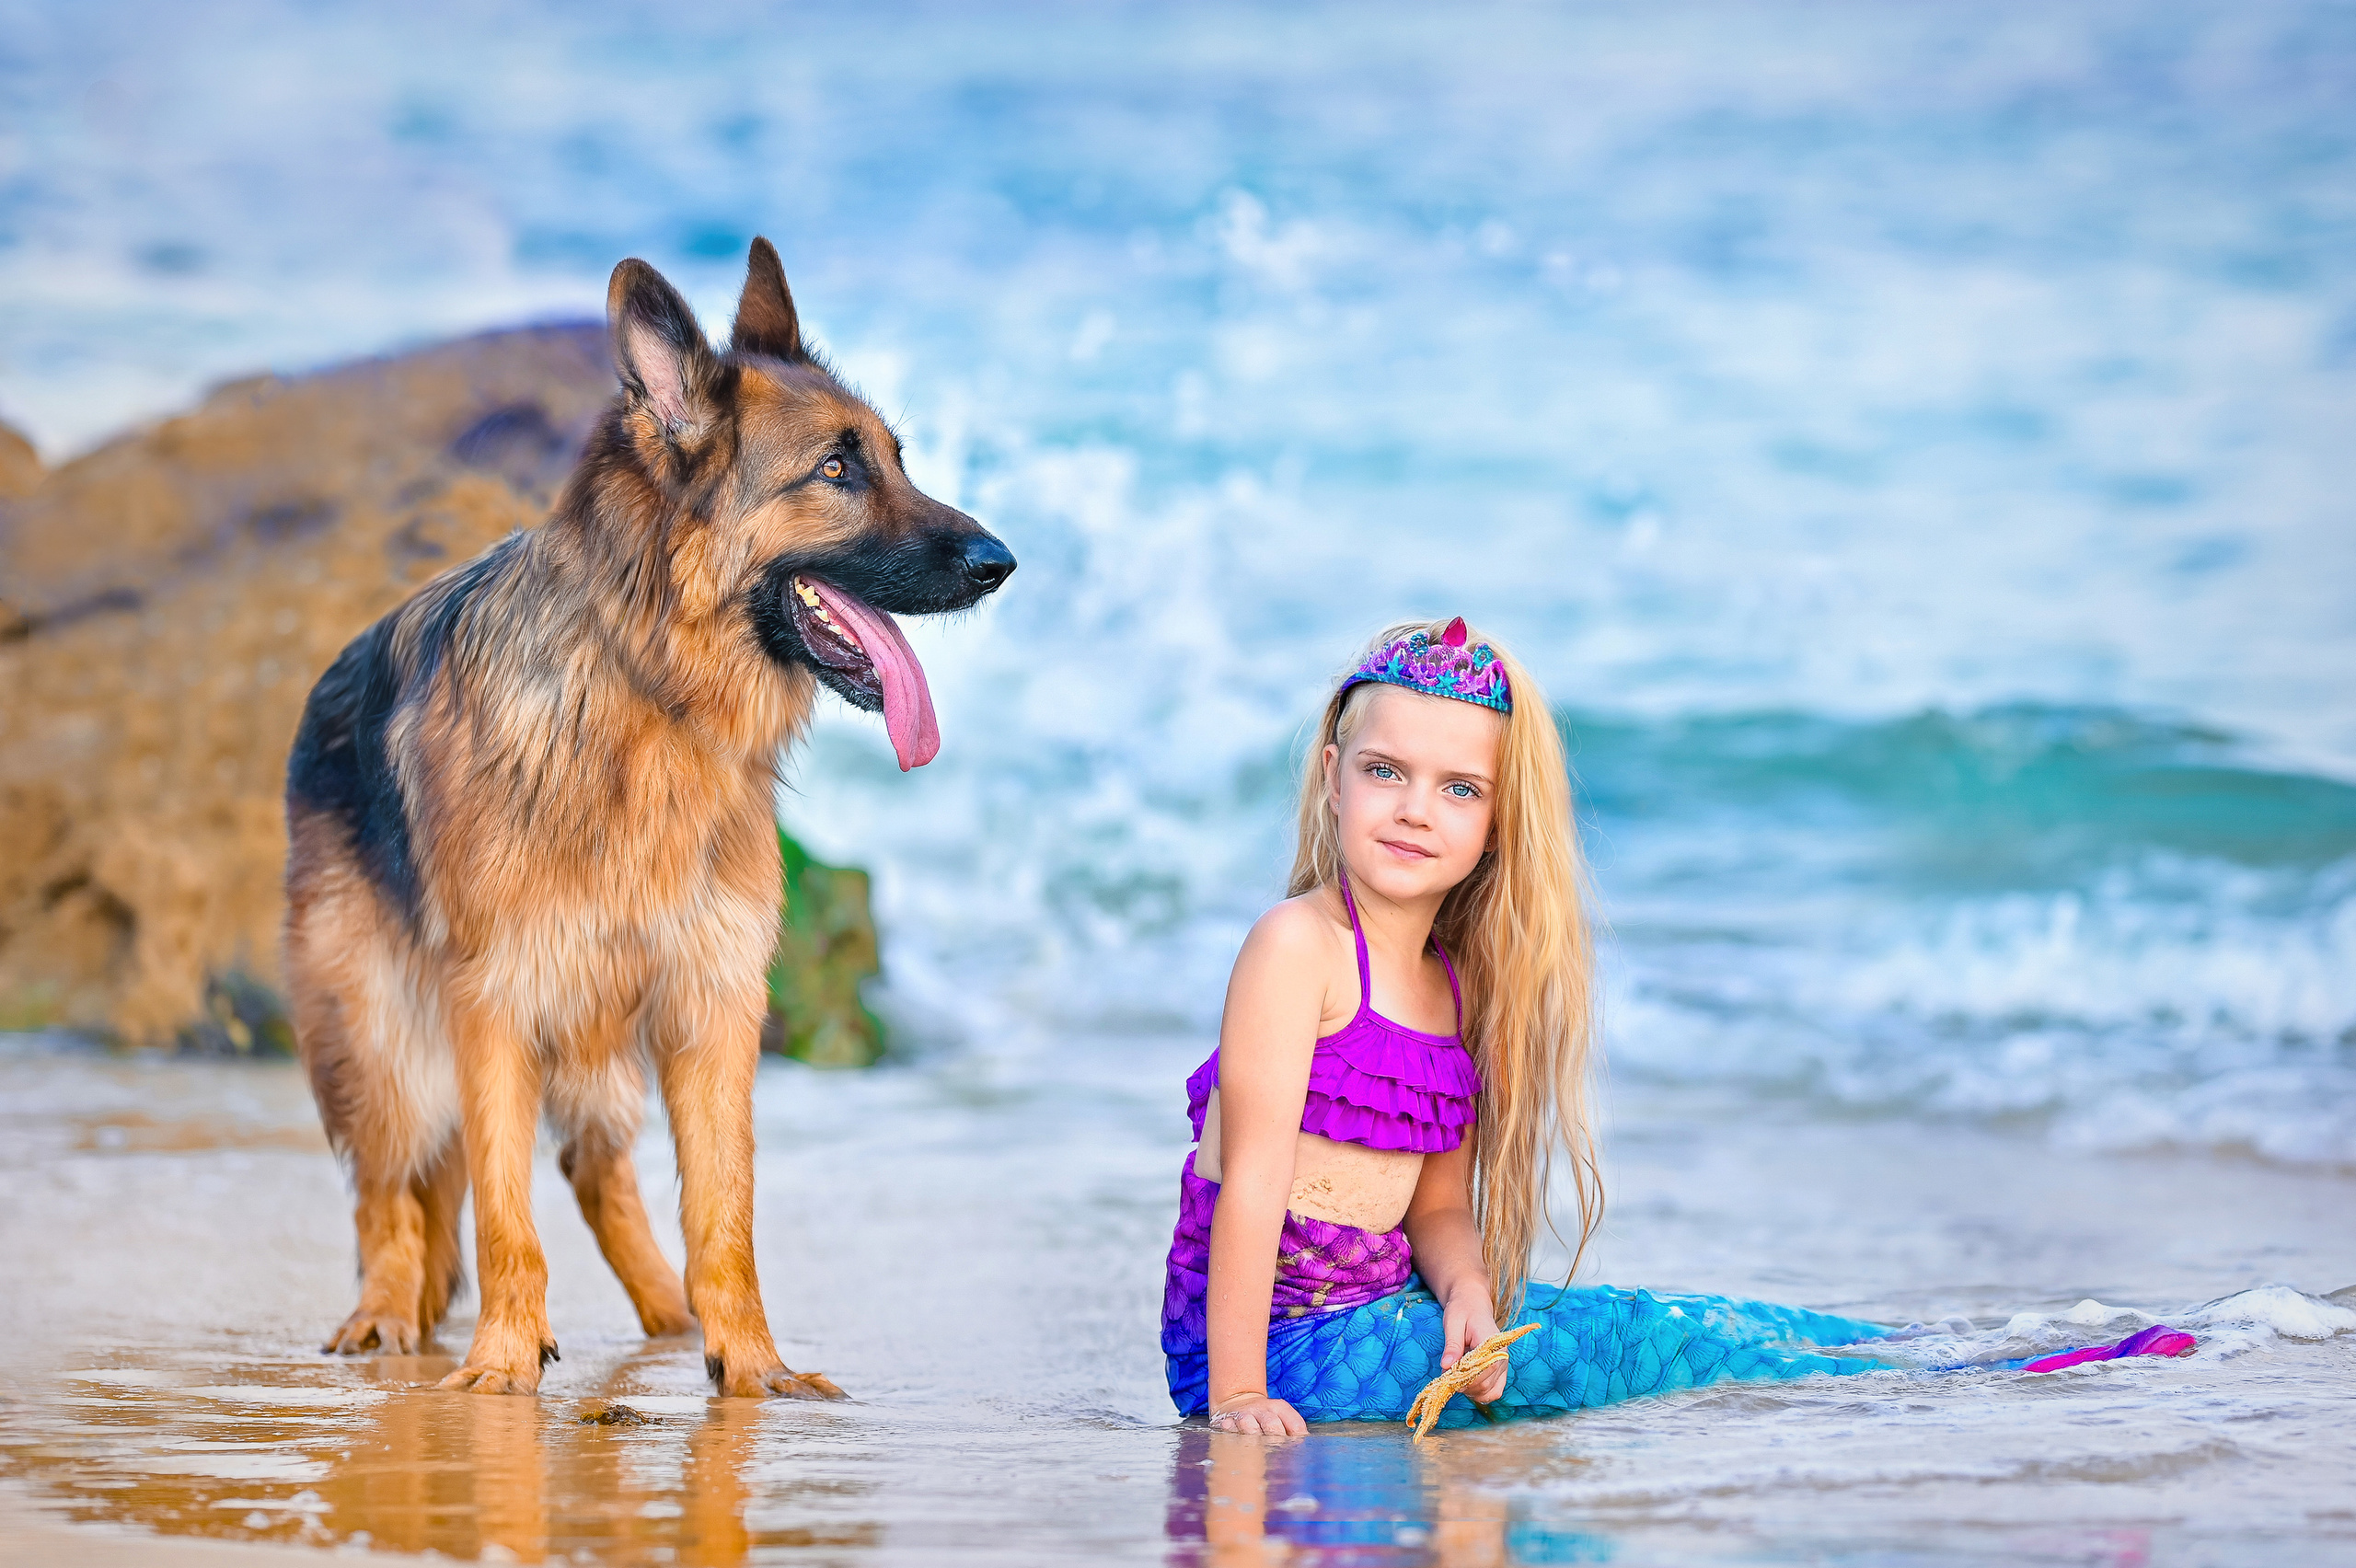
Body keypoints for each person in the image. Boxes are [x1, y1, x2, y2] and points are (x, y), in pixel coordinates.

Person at [1161, 616, 1896, 1435]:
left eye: (1459, 789)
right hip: (1276, 1345)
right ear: (1334, 777)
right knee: (1632, 1345)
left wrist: (1468, 1290)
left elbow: (1436, 1208)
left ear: (1498, 821)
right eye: (1385, 772)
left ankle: (1929, 1351)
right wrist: (1237, 1396)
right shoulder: (1298, 945)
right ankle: (1914, 1384)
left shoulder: (1452, 986)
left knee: (1683, 1318)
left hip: (1378, 1312)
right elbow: (1254, 1181)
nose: (1415, 810)